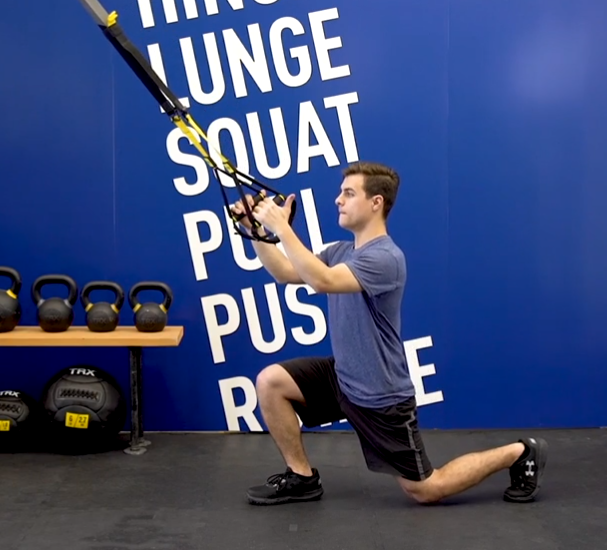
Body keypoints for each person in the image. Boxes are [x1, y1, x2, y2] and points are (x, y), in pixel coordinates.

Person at [231, 161, 547, 506]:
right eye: (341, 193)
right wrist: (257, 233)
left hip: (381, 395)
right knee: (271, 382)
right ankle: (302, 477)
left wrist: (280, 227)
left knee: (424, 489)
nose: (338, 200)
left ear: (376, 202)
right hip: (343, 377)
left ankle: (519, 452)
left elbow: (322, 281)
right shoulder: (340, 251)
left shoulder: (386, 258)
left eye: (349, 193)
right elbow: (286, 272)